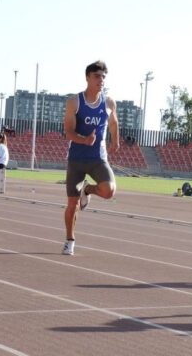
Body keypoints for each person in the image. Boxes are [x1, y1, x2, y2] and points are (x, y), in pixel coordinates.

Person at [62, 61, 120, 255]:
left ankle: (87, 190)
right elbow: (68, 132)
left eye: (103, 77)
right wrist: (83, 140)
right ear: (87, 77)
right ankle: (70, 240)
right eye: (97, 76)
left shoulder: (109, 102)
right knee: (72, 204)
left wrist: (115, 140)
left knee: (109, 190)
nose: (101, 80)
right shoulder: (74, 102)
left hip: (98, 158)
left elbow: (113, 123)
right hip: (77, 158)